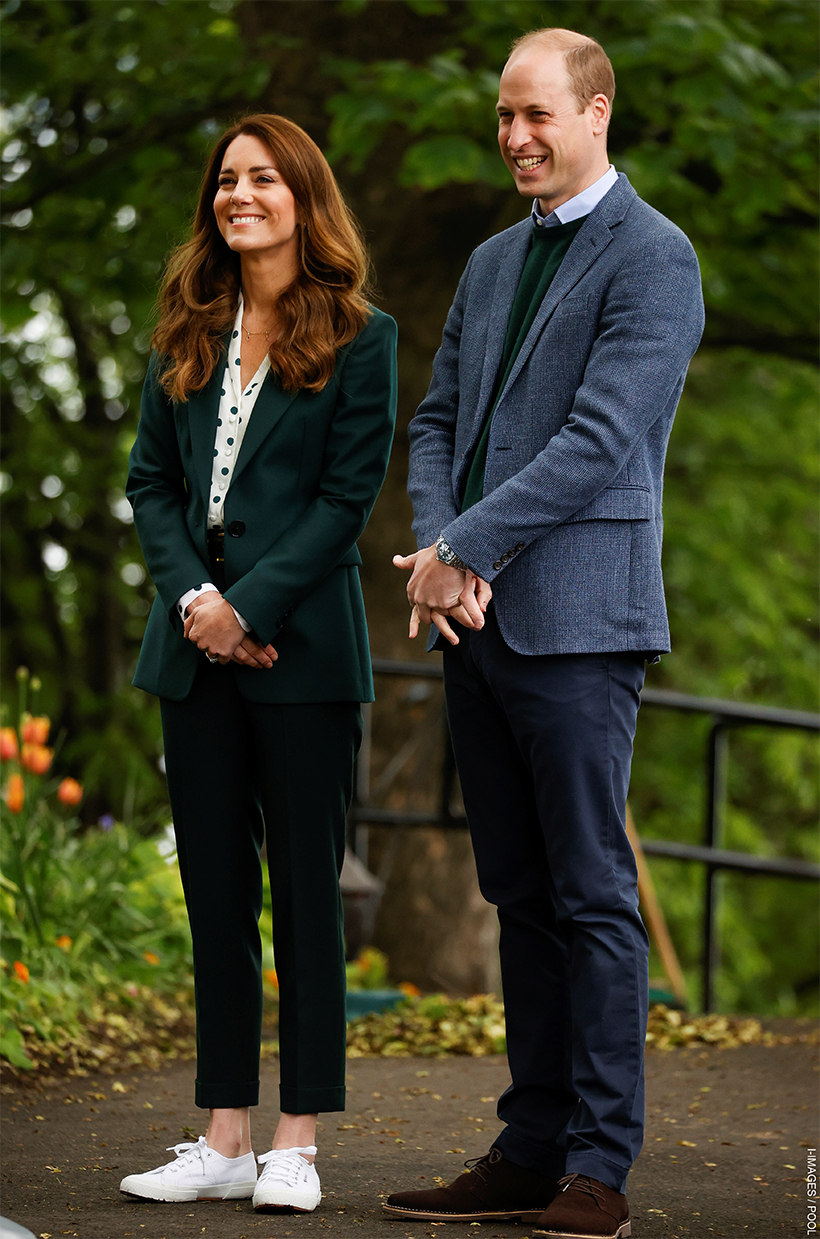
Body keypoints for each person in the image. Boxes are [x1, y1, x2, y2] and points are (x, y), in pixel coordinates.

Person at [389, 27, 703, 1239]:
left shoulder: (655, 257)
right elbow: (439, 424)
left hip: (579, 622)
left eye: (536, 115)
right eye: (503, 118)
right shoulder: (485, 263)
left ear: (596, 112)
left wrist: (466, 549)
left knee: (589, 893)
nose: (515, 137)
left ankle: (597, 1169)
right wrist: (437, 550)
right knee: (515, 890)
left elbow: (598, 440)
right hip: (471, 620)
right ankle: (527, 1149)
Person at [121, 114, 397, 1212]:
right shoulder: (183, 332)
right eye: (227, 180)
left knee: (306, 902)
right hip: (193, 654)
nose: (241, 195)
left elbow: (345, 502)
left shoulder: (361, 336)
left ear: (303, 197)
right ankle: (224, 1135)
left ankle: (298, 1140)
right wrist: (199, 601)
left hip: (304, 657)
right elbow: (150, 484)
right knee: (216, 894)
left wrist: (249, 607)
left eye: (264, 179)